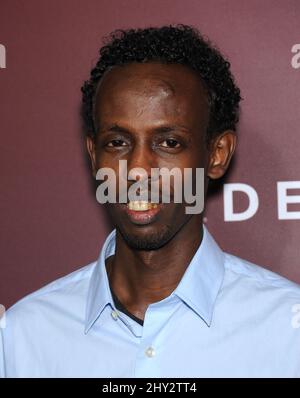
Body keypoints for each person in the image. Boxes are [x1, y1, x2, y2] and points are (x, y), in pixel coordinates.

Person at [1, 25, 299, 378]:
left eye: (169, 143)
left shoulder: (288, 331)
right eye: (117, 142)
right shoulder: (23, 337)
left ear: (217, 154)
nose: (138, 170)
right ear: (94, 155)